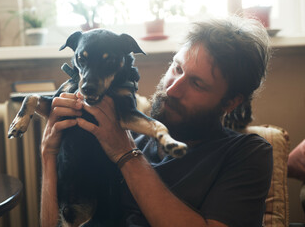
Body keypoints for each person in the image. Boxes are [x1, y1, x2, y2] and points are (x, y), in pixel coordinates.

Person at [40, 17, 273, 227]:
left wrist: (125, 154)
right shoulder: (131, 135)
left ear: (230, 102)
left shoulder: (247, 154)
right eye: (177, 67)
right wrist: (49, 154)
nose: (172, 89)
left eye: (197, 84)